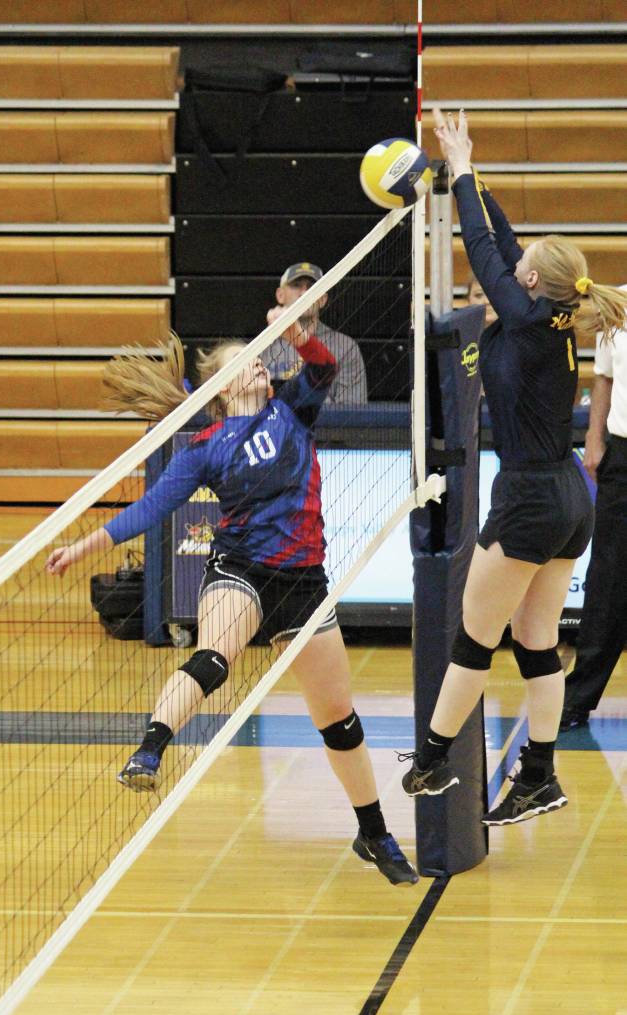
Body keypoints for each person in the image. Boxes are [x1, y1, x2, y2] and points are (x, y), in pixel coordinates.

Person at [46, 315, 417, 886]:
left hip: (303, 584)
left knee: (339, 721)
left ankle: (372, 832)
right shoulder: (203, 449)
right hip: (239, 570)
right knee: (216, 657)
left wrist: (296, 336)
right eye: (245, 359)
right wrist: (85, 545)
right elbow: (149, 511)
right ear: (222, 386)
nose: (258, 362)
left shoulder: (293, 408)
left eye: (260, 356)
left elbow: (325, 366)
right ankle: (149, 750)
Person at [400, 109, 627, 826]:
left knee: (474, 638)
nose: (512, 257)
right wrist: (467, 165)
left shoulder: (525, 321)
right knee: (534, 645)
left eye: (520, 259)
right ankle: (537, 777)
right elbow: (496, 240)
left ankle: (432, 762)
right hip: (568, 498)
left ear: (530, 278)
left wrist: (462, 176)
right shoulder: (550, 315)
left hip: (532, 496)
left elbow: (480, 245)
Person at [561, 291, 627, 730]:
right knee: (607, 578)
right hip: (623, 453)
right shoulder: (617, 302)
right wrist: (594, 438)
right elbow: (602, 378)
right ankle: (578, 697)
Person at [261, 262, 368, 405]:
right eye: (296, 285)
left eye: (312, 287)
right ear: (280, 295)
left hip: (326, 427)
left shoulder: (346, 347)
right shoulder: (261, 346)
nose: (304, 293)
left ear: (322, 299)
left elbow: (353, 413)